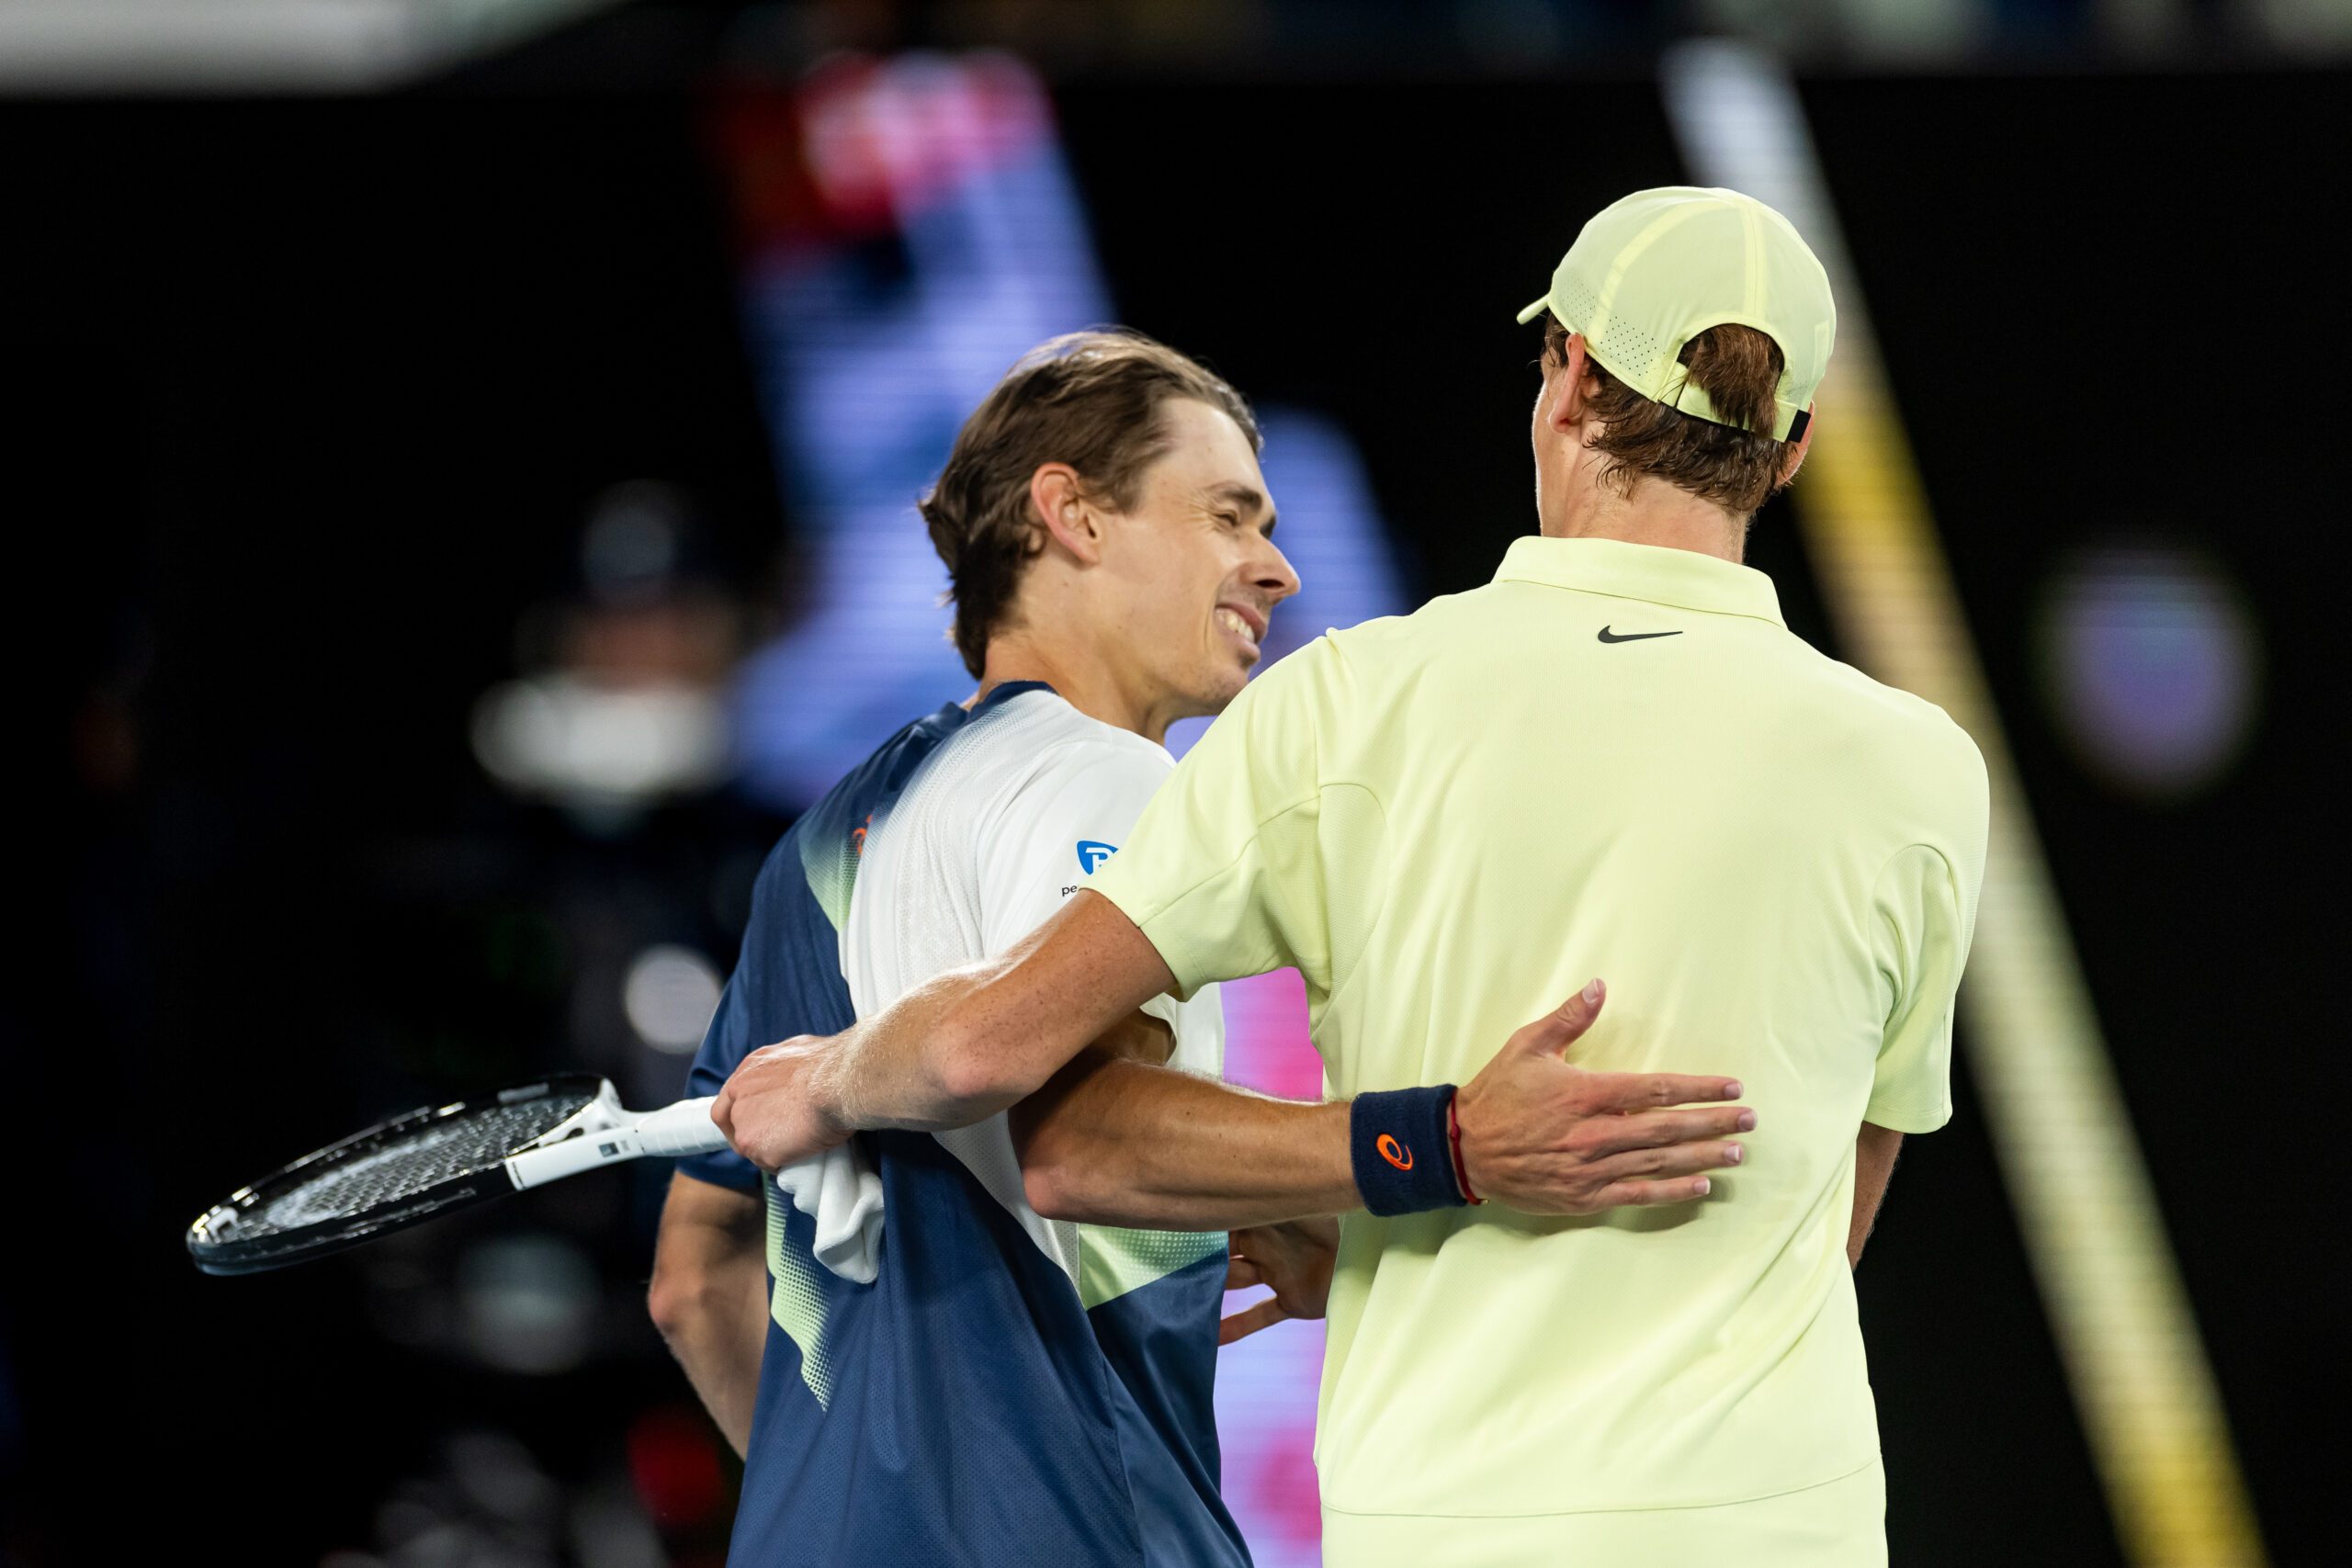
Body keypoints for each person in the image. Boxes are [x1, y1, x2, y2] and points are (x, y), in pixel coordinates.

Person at [716, 187, 1990, 1567]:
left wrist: (829, 1079)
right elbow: (1817, 1230)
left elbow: (1016, 1090)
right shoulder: (1921, 773)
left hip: (1452, 1528)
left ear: (1563, 379)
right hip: (1784, 1527)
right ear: (1790, 444)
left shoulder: (1350, 706)